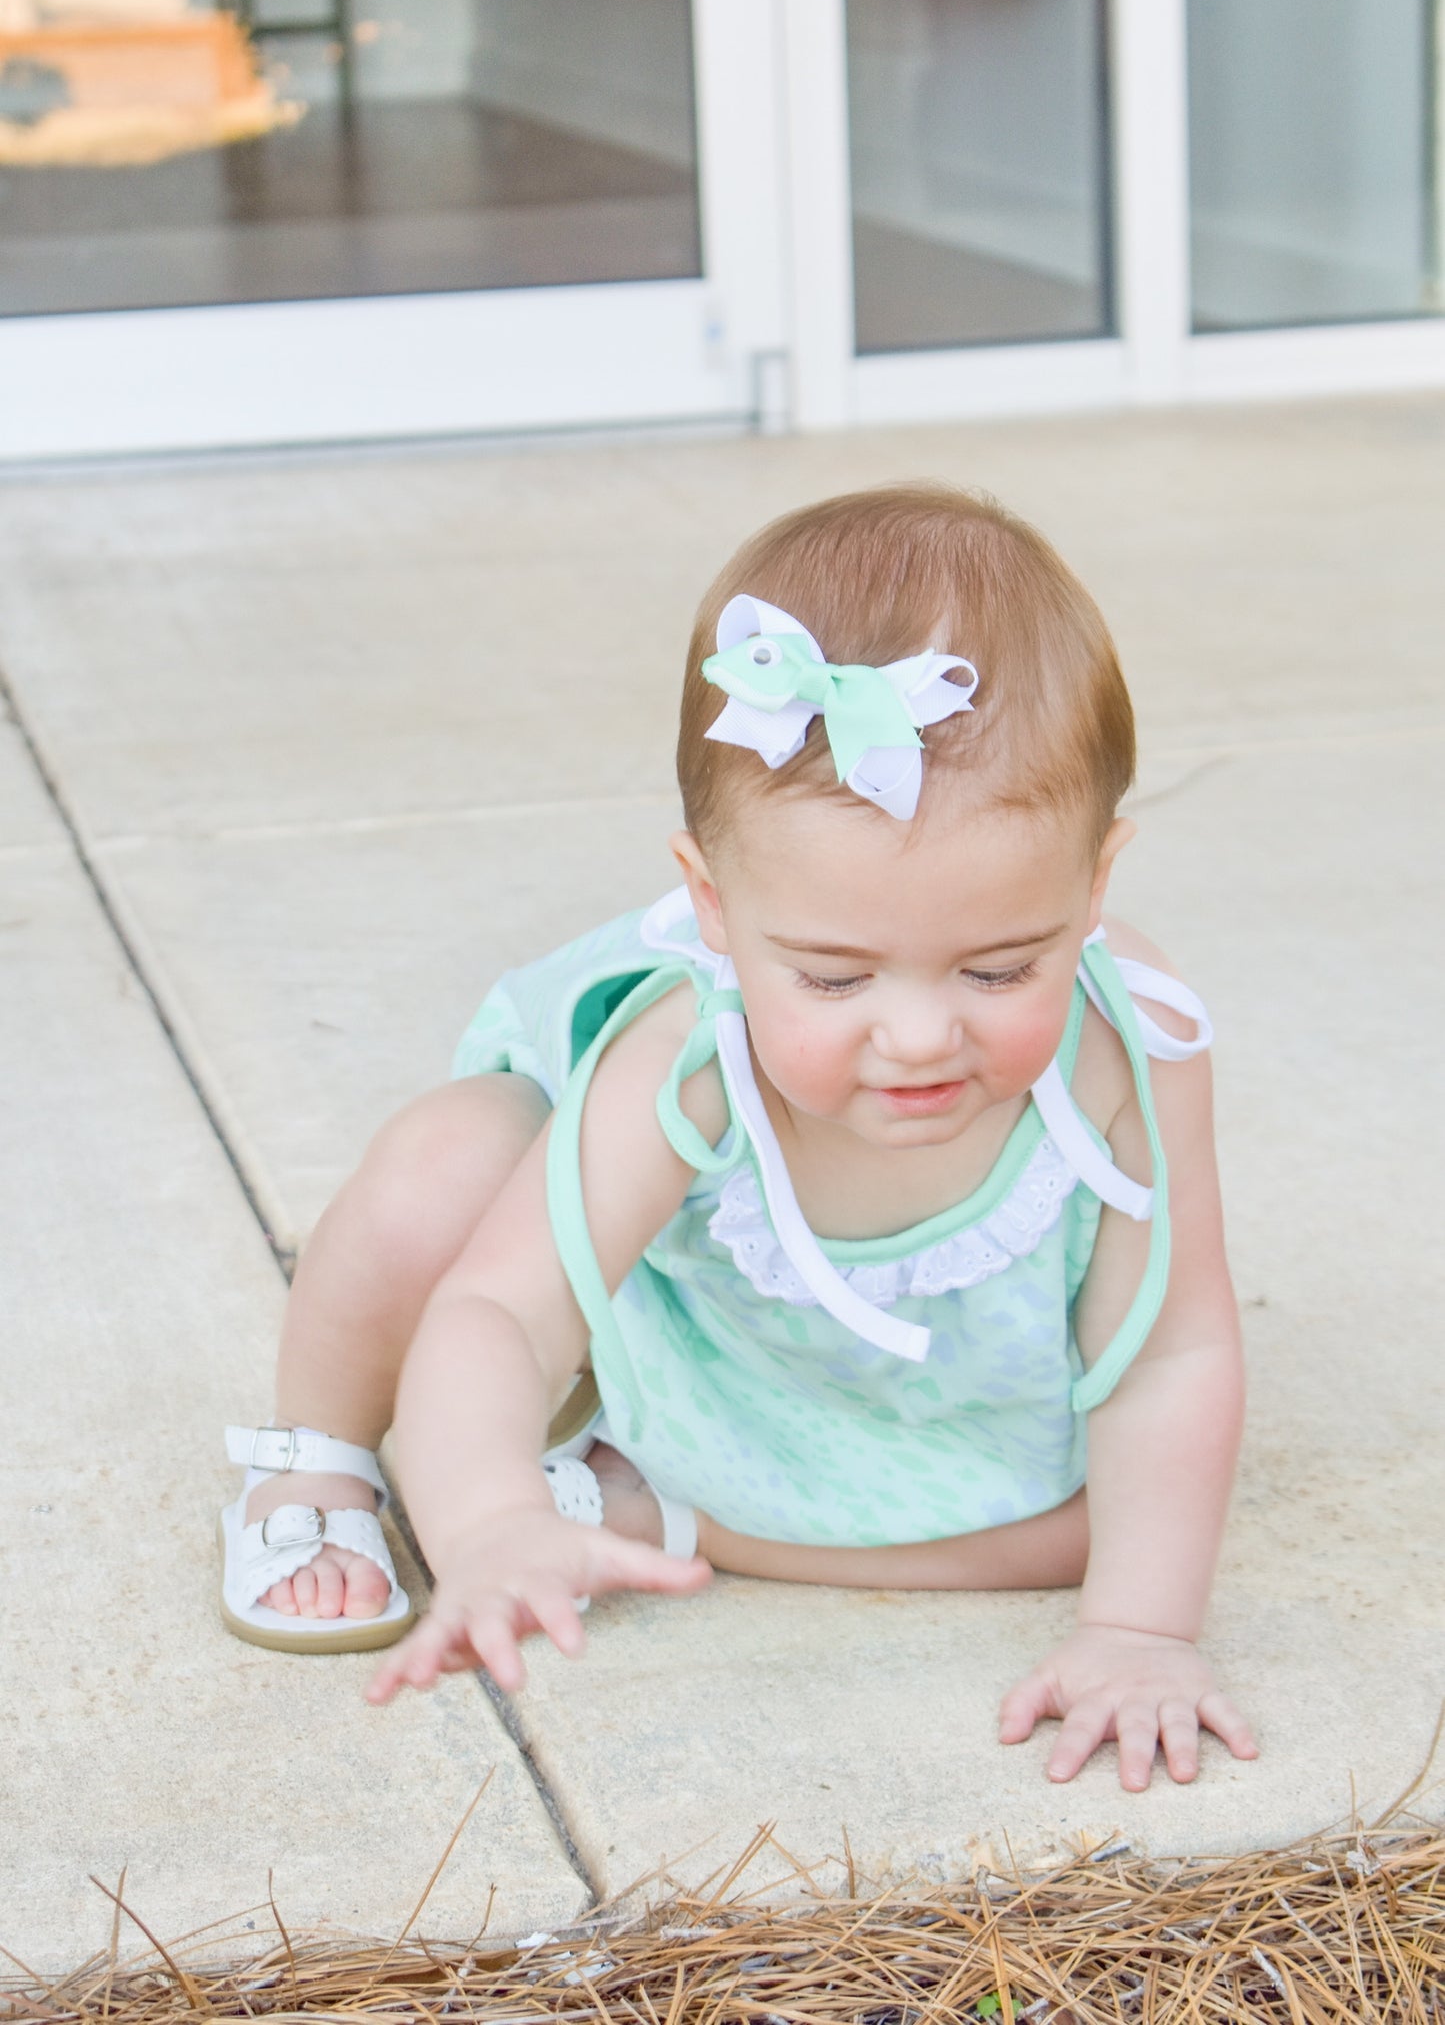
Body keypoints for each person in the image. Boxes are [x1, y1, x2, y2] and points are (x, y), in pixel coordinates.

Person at [218, 485, 1257, 1793]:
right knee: (448, 1163)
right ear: (711, 905)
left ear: (1092, 886)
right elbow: (496, 1311)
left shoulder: (1131, 1045)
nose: (920, 1036)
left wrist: (1137, 1631)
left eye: (999, 969)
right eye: (833, 978)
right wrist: (485, 1522)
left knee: (1110, 1533)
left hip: (873, 1408)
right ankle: (317, 1463)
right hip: (671, 1325)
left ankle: (655, 1507)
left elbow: (1172, 1347)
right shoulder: (689, 1058)